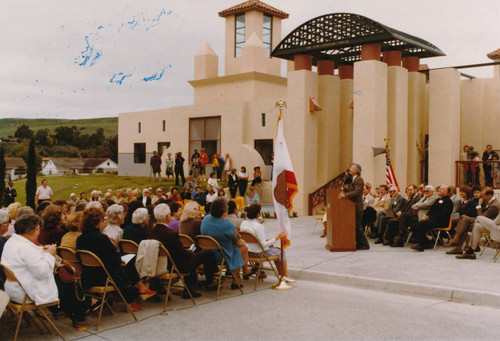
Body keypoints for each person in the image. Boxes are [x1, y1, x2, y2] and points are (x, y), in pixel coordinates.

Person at [3, 214, 93, 328]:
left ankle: (61, 310)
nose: (39, 233)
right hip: (25, 292)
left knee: (61, 278)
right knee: (68, 281)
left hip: (14, 288)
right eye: (37, 230)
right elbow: (42, 272)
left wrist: (41, 250)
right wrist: (50, 254)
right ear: (32, 230)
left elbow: (29, 256)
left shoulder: (12, 242)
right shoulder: (25, 248)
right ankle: (79, 317)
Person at [76, 208, 148, 311]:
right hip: (103, 277)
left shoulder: (80, 239)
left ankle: (139, 289)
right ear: (98, 222)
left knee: (121, 266)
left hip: (88, 276)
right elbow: (113, 260)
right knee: (126, 265)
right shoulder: (102, 238)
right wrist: (120, 260)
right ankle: (130, 301)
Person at [149, 204, 217, 297]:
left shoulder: (151, 231)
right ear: (167, 217)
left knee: (193, 256)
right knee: (207, 253)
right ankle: (209, 281)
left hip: (164, 263)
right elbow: (183, 255)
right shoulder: (170, 233)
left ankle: (192, 287)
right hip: (177, 264)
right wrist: (189, 251)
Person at [200, 198, 250, 288]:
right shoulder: (227, 225)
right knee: (242, 248)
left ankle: (242, 273)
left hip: (206, 254)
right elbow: (238, 242)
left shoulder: (206, 219)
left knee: (234, 249)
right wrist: (241, 241)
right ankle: (236, 280)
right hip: (220, 256)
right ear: (224, 213)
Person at [240, 204, 293, 282]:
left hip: (248, 252)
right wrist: (276, 238)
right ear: (258, 214)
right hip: (259, 253)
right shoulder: (258, 226)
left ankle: (282, 275)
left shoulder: (243, 223)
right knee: (281, 252)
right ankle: (285, 275)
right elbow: (263, 245)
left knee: (276, 251)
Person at [446, 186, 500, 255]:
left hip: (489, 226)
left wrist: (479, 205)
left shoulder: (494, 205)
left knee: (465, 222)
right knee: (464, 222)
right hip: (482, 224)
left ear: (489, 195)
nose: (482, 198)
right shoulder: (488, 201)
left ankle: (458, 243)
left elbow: (482, 218)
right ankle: (462, 248)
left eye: (483, 196)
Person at [411, 185, 453, 252]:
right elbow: (432, 210)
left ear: (446, 191)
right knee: (415, 225)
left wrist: (429, 217)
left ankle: (420, 245)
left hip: (442, 221)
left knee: (423, 224)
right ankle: (427, 242)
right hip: (434, 219)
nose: (439, 190)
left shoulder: (448, 201)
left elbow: (443, 214)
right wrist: (426, 216)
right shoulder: (438, 200)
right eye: (439, 189)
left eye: (441, 189)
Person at [338, 163, 370, 250]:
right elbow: (352, 190)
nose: (350, 169)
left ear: (356, 171)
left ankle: (365, 244)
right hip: (352, 207)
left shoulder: (359, 180)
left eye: (351, 168)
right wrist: (344, 189)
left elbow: (357, 192)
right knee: (354, 226)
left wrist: (345, 195)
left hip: (357, 207)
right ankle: (359, 244)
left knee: (357, 226)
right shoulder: (353, 179)